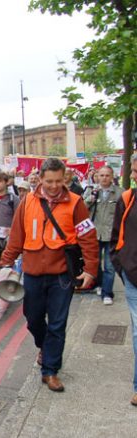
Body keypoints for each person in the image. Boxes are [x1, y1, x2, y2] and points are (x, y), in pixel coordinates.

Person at [1, 158, 98, 392]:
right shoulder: (26, 202)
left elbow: (87, 237)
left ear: (64, 178)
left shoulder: (76, 203)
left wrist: (91, 269)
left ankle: (51, 370)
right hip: (33, 272)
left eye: (58, 181)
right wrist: (5, 263)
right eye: (49, 181)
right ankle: (45, 346)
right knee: (33, 318)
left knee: (57, 323)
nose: (54, 186)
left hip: (62, 275)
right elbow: (16, 236)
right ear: (41, 179)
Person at [110, 155, 137, 406]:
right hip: (133, 278)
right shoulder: (127, 199)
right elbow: (116, 236)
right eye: (135, 170)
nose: (136, 175)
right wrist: (121, 265)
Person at [84, 166, 122, 305]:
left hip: (112, 235)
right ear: (97, 177)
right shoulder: (91, 190)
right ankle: (99, 284)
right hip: (94, 234)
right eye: (102, 175)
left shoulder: (119, 193)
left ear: (112, 177)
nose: (104, 178)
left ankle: (107, 293)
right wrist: (90, 198)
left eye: (107, 175)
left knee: (109, 266)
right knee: (95, 264)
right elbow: (82, 208)